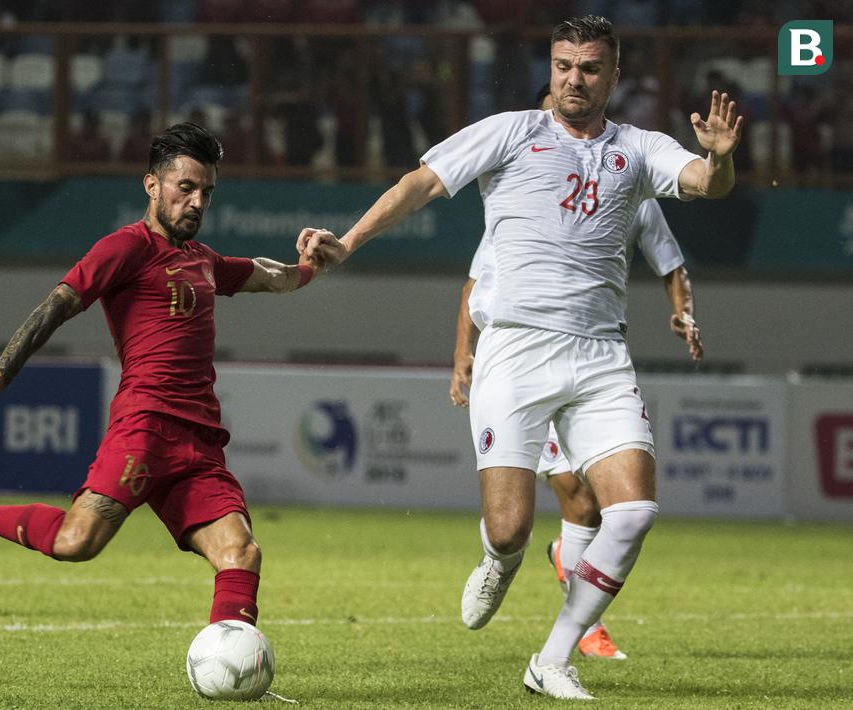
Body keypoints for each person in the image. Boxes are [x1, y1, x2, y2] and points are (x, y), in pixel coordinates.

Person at [300, 15, 741, 700]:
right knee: (509, 530)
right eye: (563, 65)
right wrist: (349, 242)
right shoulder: (511, 132)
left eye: (589, 68)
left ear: (613, 76)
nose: (573, 79)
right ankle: (499, 560)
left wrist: (719, 159)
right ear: (551, 68)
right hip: (515, 348)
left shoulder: (638, 148)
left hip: (600, 354)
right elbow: (420, 183)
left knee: (631, 513)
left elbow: (709, 185)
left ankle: (552, 660)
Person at [0, 123, 343, 634]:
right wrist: (3, 370)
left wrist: (309, 264)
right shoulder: (126, 248)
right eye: (186, 187)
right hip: (145, 426)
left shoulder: (204, 261)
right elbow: (57, 306)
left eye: (207, 192)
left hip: (200, 443)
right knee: (75, 542)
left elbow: (272, 276)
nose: (197, 202)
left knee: (241, 552)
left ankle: (232, 660)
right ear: (152, 184)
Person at [449, 83, 706, 664]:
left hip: (591, 356)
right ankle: (510, 558)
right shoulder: (518, 192)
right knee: (549, 507)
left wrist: (683, 311)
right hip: (519, 359)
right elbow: (475, 285)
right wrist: (463, 354)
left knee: (597, 506)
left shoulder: (631, 183)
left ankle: (575, 623)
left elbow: (671, 263)